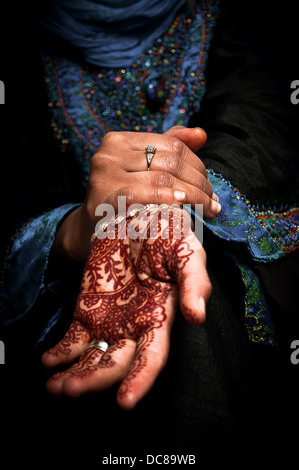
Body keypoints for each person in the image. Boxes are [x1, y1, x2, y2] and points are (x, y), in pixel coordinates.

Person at [0, 0, 298, 464]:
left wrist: (162, 210)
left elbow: (260, 119)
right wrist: (78, 230)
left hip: (220, 259)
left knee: (190, 292)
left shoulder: (235, 17)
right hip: (59, 296)